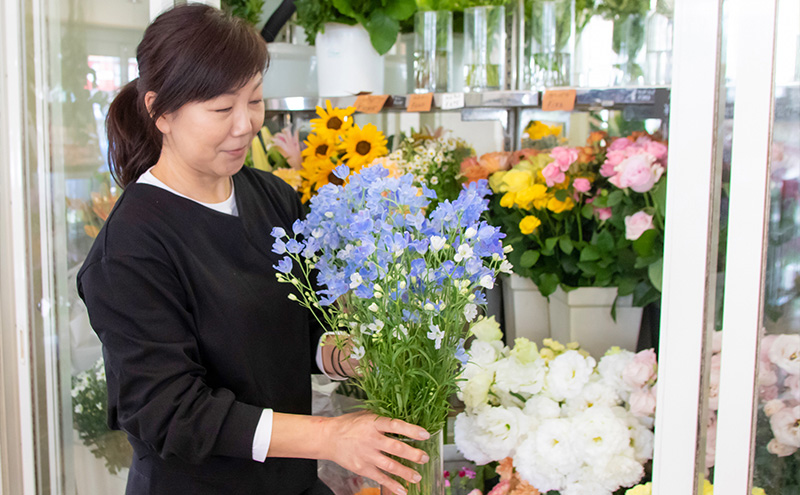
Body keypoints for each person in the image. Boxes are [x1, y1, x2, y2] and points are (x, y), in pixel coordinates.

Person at [77, 5, 429, 495]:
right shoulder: (133, 245)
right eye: (222, 109)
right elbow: (172, 412)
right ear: (160, 111)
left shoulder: (270, 196)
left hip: (291, 481)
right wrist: (330, 437)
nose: (246, 125)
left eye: (256, 101)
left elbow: (304, 326)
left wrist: (359, 355)